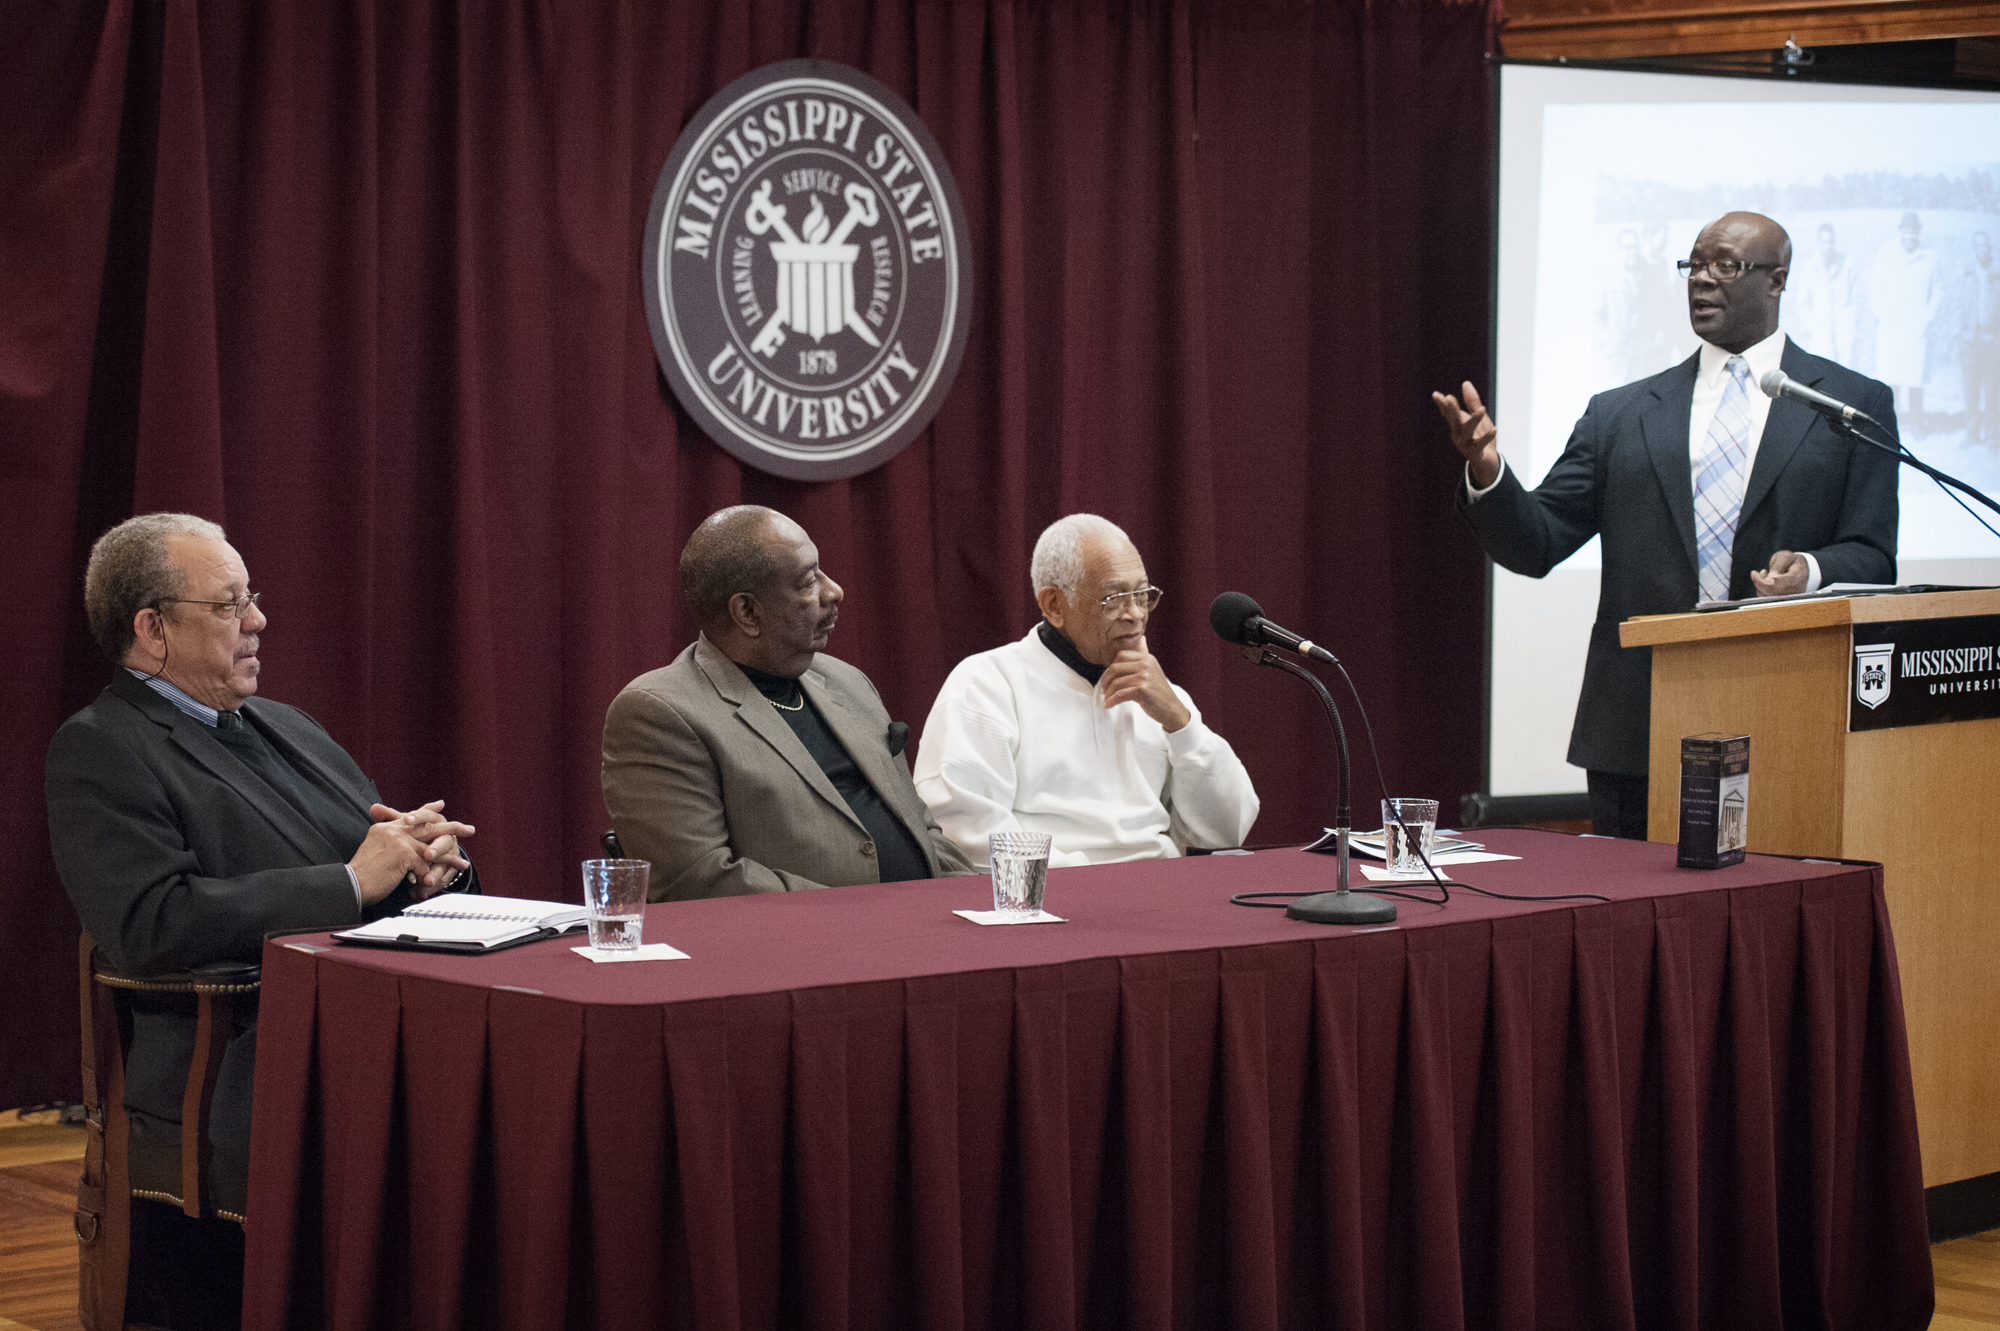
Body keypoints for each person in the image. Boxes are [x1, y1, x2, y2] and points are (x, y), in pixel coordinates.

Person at [46, 513, 474, 1329]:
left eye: (254, 597)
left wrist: (425, 864)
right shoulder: (101, 747)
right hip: (234, 1051)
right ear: (153, 629)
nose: (258, 620)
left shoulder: (289, 725)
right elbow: (149, 921)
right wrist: (352, 881)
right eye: (230, 603)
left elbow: (374, 857)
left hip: (363, 1025)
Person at [1432, 212, 1898, 839]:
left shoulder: (1849, 404)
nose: (1702, 281)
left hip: (1787, 719)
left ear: (1777, 280)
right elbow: (1538, 542)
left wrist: (1813, 570)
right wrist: (1489, 471)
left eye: (1725, 266)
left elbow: (1873, 556)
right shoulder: (1621, 414)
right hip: (1636, 730)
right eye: (1694, 265)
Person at [602, 505, 972, 900]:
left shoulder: (847, 683)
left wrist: (971, 900)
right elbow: (697, 880)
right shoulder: (660, 712)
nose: (834, 591)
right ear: (747, 611)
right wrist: (867, 916)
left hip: (924, 929)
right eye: (808, 581)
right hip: (799, 948)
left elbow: (921, 827)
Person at [913, 514, 1259, 867]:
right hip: (1049, 901)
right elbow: (964, 832)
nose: (1136, 614)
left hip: (1161, 891)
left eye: (1142, 594)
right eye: (1114, 598)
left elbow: (1226, 833)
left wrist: (1181, 724)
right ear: (1053, 605)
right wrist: (1095, 888)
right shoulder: (987, 683)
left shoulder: (1160, 696)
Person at [1869, 211, 1942, 419]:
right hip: (1892, 325)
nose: (1910, 236)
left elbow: (1938, 291)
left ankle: (1917, 420)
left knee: (1915, 377)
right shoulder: (1887, 253)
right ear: (1900, 232)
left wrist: (1928, 319)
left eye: (1914, 232)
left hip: (1918, 326)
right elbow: (1876, 287)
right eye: (1906, 231)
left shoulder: (1930, 257)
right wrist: (1881, 315)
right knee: (1893, 376)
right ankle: (1895, 421)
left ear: (1919, 233)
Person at [1790, 222, 1859, 363]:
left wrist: (1851, 322)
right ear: (1819, 243)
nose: (1828, 246)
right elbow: (1803, 303)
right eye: (1824, 242)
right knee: (1824, 373)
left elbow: (1856, 298)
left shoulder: (1847, 264)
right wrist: (1812, 325)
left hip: (1844, 331)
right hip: (1821, 332)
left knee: (1846, 372)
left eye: (1831, 241)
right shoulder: (1810, 268)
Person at [1962, 230, 1998, 443]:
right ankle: (1971, 433)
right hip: (1969, 341)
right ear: (1974, 249)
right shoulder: (1966, 274)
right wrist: (1960, 332)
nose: (1982, 250)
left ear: (1990, 248)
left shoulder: (1996, 274)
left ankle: (1992, 435)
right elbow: (1957, 305)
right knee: (1970, 389)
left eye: (1985, 246)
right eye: (1978, 246)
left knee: (1992, 390)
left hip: (1992, 341)